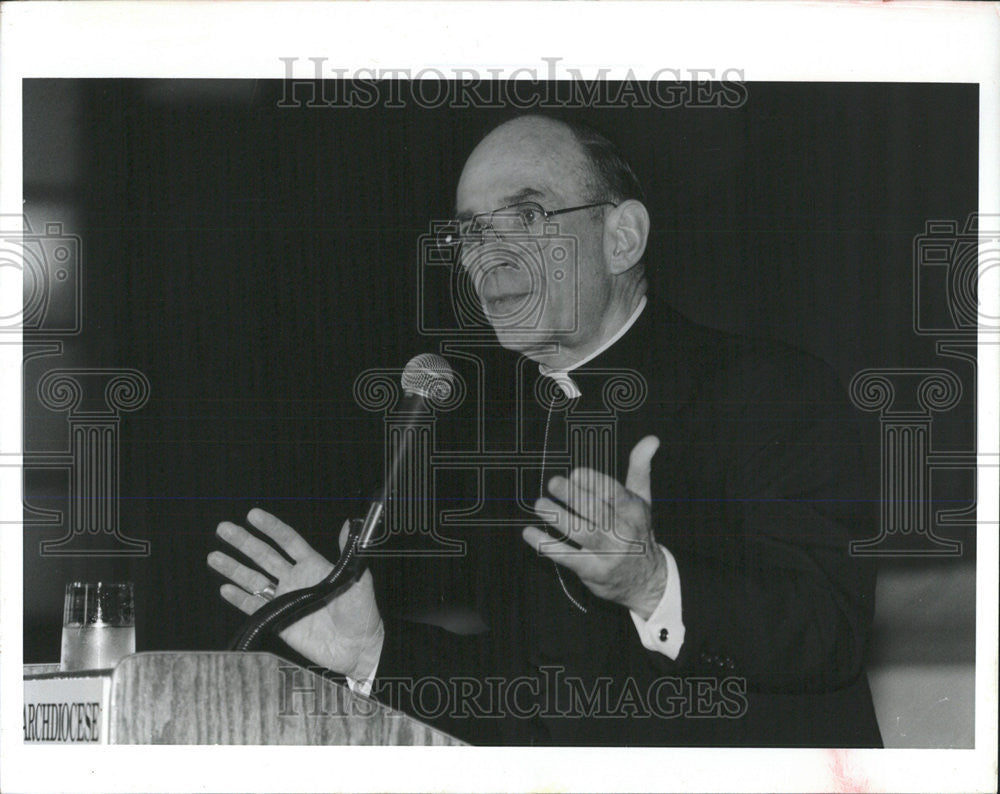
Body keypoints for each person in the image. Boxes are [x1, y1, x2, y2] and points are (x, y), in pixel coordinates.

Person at [207, 114, 883, 747]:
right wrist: (374, 650)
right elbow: (538, 703)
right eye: (470, 231)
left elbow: (831, 633)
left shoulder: (765, 389)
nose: (488, 256)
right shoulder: (502, 437)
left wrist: (653, 584)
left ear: (621, 238)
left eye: (526, 216)